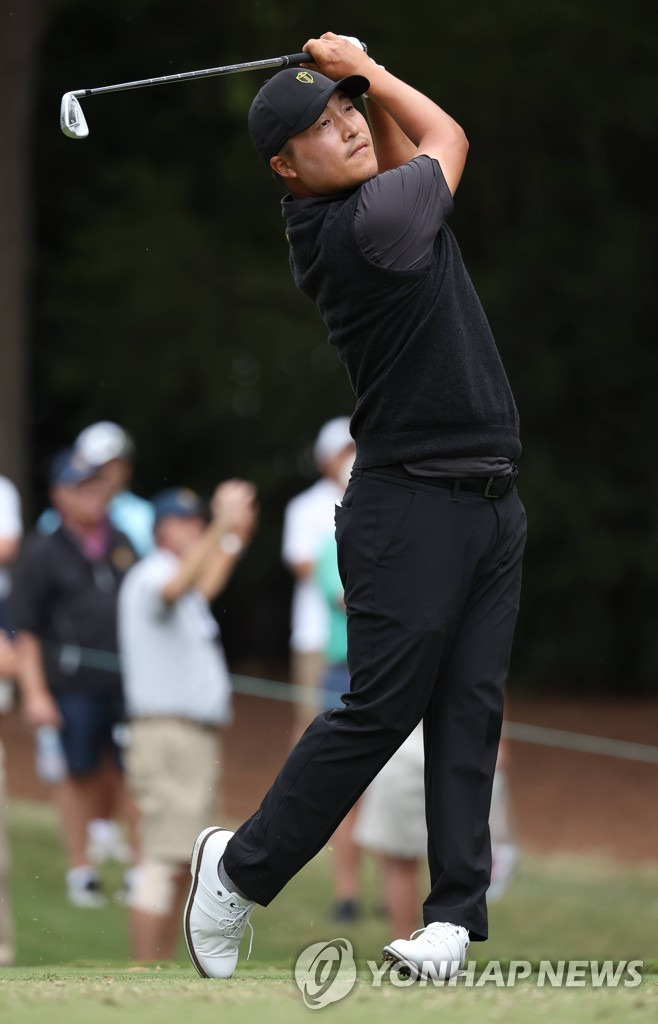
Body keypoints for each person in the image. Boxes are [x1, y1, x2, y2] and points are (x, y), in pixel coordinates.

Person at [184, 32, 526, 981]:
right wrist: (368, 71)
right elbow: (445, 137)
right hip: (408, 504)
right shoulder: (366, 226)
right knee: (379, 710)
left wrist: (359, 84)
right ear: (286, 168)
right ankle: (235, 873)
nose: (345, 128)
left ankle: (452, 922)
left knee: (469, 710)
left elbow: (401, 151)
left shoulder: (374, 202)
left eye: (344, 111)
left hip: (489, 500)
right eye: (322, 128)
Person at [119, 482, 257, 961]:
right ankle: (143, 968)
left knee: (184, 859)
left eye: (199, 522)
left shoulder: (182, 577)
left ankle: (158, 965)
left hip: (187, 737)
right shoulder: (152, 573)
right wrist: (222, 525)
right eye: (187, 522)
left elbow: (206, 582)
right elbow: (179, 587)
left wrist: (235, 535)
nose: (195, 529)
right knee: (162, 856)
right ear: (161, 530)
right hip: (167, 735)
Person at [13, 449, 138, 908]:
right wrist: (35, 692)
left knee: (130, 774)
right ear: (59, 496)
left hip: (125, 683)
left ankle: (137, 870)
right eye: (81, 488)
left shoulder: (123, 541)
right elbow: (24, 630)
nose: (92, 496)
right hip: (70, 685)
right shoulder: (43, 552)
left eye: (97, 486)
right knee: (78, 775)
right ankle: (81, 870)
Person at [282, 418, 355, 740]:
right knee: (313, 724)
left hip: (365, 635)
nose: (351, 457)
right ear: (325, 459)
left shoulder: (376, 501)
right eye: (344, 451)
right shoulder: (305, 507)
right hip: (317, 636)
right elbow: (302, 564)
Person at [39, 421, 154, 557]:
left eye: (117, 464)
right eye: (101, 467)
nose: (111, 472)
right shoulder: (51, 520)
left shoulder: (143, 513)